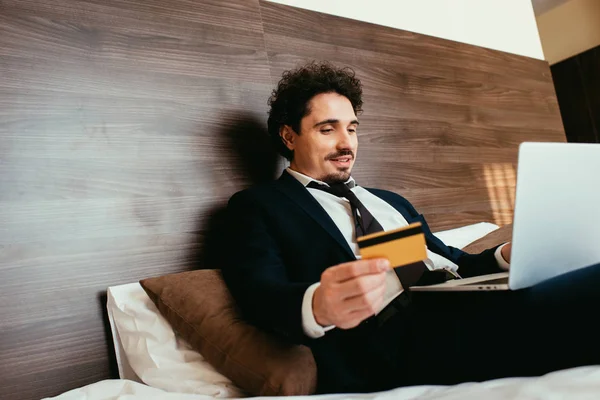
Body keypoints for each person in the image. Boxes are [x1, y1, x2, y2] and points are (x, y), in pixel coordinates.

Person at [220, 62, 600, 394]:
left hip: (462, 306)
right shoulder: (260, 206)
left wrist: (506, 255)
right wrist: (318, 305)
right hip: (395, 339)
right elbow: (260, 292)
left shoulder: (388, 202)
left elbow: (452, 264)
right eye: (327, 129)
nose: (345, 143)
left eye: (352, 129)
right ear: (289, 136)